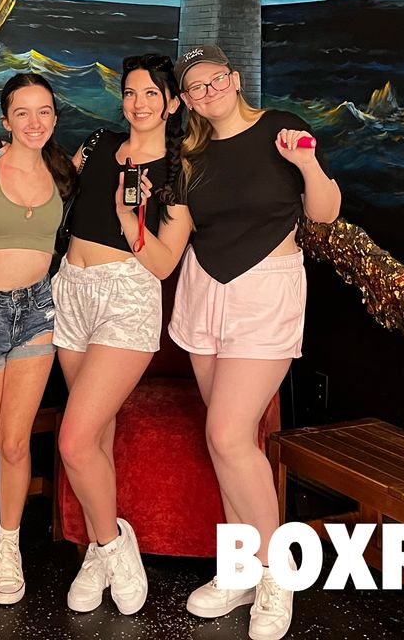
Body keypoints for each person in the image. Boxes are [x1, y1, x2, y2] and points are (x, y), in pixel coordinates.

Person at [168, 44, 340, 640]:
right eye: (195, 86)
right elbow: (179, 233)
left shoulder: (281, 129)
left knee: (226, 434)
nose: (208, 90)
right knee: (228, 443)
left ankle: (276, 571)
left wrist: (308, 164)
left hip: (266, 291)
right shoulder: (190, 155)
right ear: (187, 101)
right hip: (203, 289)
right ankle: (240, 569)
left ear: (235, 78)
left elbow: (324, 214)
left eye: (215, 78)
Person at [55, 53, 192, 616]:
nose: (139, 103)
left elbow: (163, 263)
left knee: (73, 441)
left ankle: (113, 546)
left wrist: (128, 220)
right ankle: (98, 550)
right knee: (97, 437)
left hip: (127, 296)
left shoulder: (180, 173)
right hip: (71, 290)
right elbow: (54, 185)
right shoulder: (99, 144)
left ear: (173, 103)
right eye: (131, 92)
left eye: (152, 94)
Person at [0, 73, 75, 609]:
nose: (34, 122)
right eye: (22, 112)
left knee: (15, 444)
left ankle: (10, 548)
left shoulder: (64, 174)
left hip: (38, 312)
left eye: (44, 111)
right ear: (6, 120)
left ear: (54, 118)